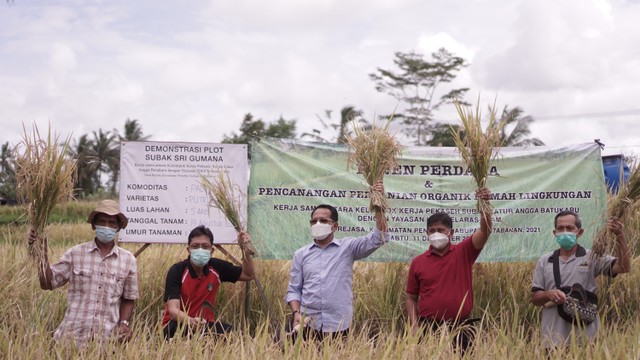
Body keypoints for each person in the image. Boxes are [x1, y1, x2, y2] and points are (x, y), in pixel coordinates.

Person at [285, 180, 389, 340]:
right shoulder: (301, 254)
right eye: (314, 221)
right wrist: (296, 313)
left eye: (323, 221)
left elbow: (378, 238)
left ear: (335, 226)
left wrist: (379, 205)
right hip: (307, 324)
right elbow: (294, 289)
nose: (317, 223)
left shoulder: (347, 248)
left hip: (338, 324)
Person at [34, 199, 138, 345]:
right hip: (71, 339)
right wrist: (41, 253)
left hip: (107, 341)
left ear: (118, 227)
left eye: (112, 223)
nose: (106, 226)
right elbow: (47, 283)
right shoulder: (75, 254)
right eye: (102, 221)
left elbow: (128, 298)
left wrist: (124, 323)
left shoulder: (128, 260)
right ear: (94, 225)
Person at [405, 188, 492, 354]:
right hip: (428, 328)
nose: (436, 234)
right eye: (432, 231)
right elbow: (410, 298)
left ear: (451, 233)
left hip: (461, 328)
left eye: (441, 230)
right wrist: (414, 325)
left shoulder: (464, 252)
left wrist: (485, 204)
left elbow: (485, 230)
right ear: (426, 233)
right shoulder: (418, 262)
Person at [530, 210, 630, 348]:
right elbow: (535, 298)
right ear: (555, 233)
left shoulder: (592, 256)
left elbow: (623, 267)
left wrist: (619, 235)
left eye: (570, 228)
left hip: (586, 338)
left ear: (580, 232)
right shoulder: (545, 260)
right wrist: (548, 294)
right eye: (560, 228)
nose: (565, 232)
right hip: (552, 339)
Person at [161, 225, 255, 339]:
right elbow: (173, 310)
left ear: (211, 250)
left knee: (238, 337)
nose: (200, 250)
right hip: (177, 325)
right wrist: (190, 321)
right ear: (188, 250)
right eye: (195, 246)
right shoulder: (177, 271)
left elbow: (248, 274)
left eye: (205, 246)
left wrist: (245, 250)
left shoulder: (217, 268)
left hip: (205, 326)